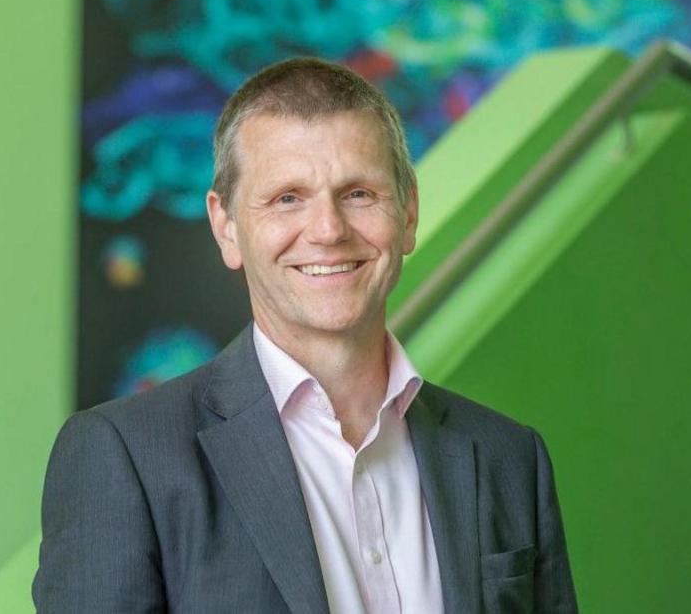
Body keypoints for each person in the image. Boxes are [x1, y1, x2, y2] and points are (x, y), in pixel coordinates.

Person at [33, 58, 577, 613]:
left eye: (359, 193)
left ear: (408, 212)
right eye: (287, 197)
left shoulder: (511, 458)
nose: (328, 230)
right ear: (226, 227)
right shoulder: (125, 458)